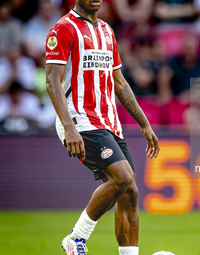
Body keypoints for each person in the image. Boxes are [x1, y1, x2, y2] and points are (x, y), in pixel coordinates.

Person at [45, 0, 160, 255]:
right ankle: (76, 237)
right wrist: (69, 126)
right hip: (80, 120)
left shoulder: (107, 31)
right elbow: (52, 80)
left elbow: (119, 83)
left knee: (129, 191)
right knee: (122, 177)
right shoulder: (63, 29)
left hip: (109, 122)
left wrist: (144, 123)